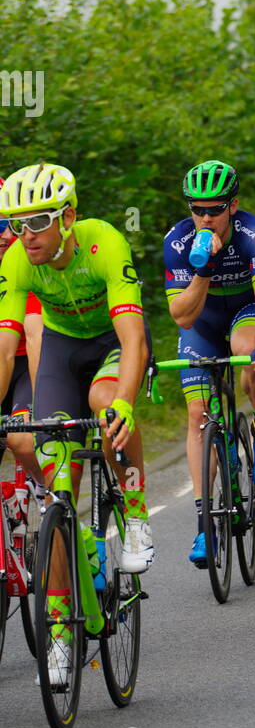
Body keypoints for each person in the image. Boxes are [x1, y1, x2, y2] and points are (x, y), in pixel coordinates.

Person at [0, 164, 150, 685]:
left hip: (111, 343)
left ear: (68, 216)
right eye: (16, 225)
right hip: (65, 350)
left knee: (105, 401)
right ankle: (61, 634)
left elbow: (132, 339)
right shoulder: (19, 260)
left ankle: (133, 515)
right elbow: (5, 350)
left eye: (38, 221)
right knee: (58, 484)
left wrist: (127, 405)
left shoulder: (103, 242)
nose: (26, 235)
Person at [164, 160, 255, 568]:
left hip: (245, 311)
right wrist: (204, 270)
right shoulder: (178, 242)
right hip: (202, 320)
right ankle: (203, 524)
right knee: (197, 414)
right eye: (198, 209)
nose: (206, 217)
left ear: (233, 205)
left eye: (214, 209)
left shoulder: (253, 233)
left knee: (249, 350)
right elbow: (182, 317)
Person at [0, 177, 44, 488]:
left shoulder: (24, 258)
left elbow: (34, 336)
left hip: (26, 362)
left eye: (10, 224)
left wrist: (41, 404)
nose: (5, 234)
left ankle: (52, 493)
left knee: (24, 439)